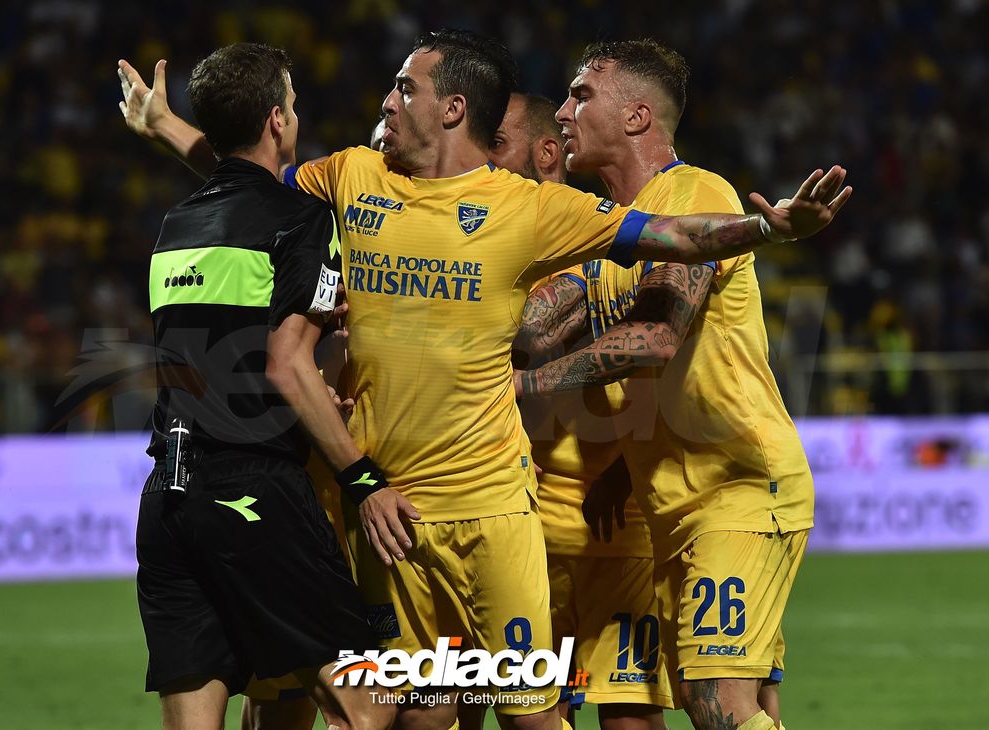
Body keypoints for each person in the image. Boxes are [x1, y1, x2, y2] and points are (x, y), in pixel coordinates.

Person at [119, 29, 849, 730]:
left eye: (405, 87)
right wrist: (168, 127)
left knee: (539, 711)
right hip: (391, 515)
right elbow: (250, 186)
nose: (386, 100)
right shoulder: (350, 177)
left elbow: (675, 240)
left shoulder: (529, 209)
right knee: (413, 709)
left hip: (501, 510)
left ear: (452, 107)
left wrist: (769, 229)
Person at [515, 40, 823, 730]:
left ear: (636, 117)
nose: (562, 112)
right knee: (701, 702)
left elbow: (656, 337)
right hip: (672, 507)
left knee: (719, 702)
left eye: (580, 95)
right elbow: (659, 377)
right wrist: (626, 469)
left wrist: (521, 386)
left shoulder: (693, 195)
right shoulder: (615, 233)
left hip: (738, 487)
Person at [132, 42, 394, 730]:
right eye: (294, 103)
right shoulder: (301, 219)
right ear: (278, 121)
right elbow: (285, 365)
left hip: (166, 500)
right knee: (365, 708)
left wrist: (164, 126)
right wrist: (362, 478)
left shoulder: (175, 224)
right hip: (252, 488)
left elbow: (229, 333)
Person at [497, 91, 674, 730]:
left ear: (546, 153)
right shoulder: (485, 240)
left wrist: (627, 472)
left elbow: (660, 361)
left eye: (496, 143)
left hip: (614, 524)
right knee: (520, 716)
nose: (479, 158)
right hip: (513, 525)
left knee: (628, 717)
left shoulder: (607, 237)